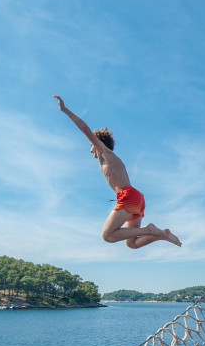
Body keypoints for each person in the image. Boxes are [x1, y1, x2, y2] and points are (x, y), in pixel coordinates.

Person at [54, 95, 181, 249]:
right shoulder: (113, 159)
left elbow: (85, 129)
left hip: (128, 195)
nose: (90, 149)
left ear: (98, 142)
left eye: (91, 145)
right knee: (132, 243)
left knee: (107, 236)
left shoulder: (105, 152)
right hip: (137, 198)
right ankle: (162, 234)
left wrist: (65, 110)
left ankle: (149, 230)